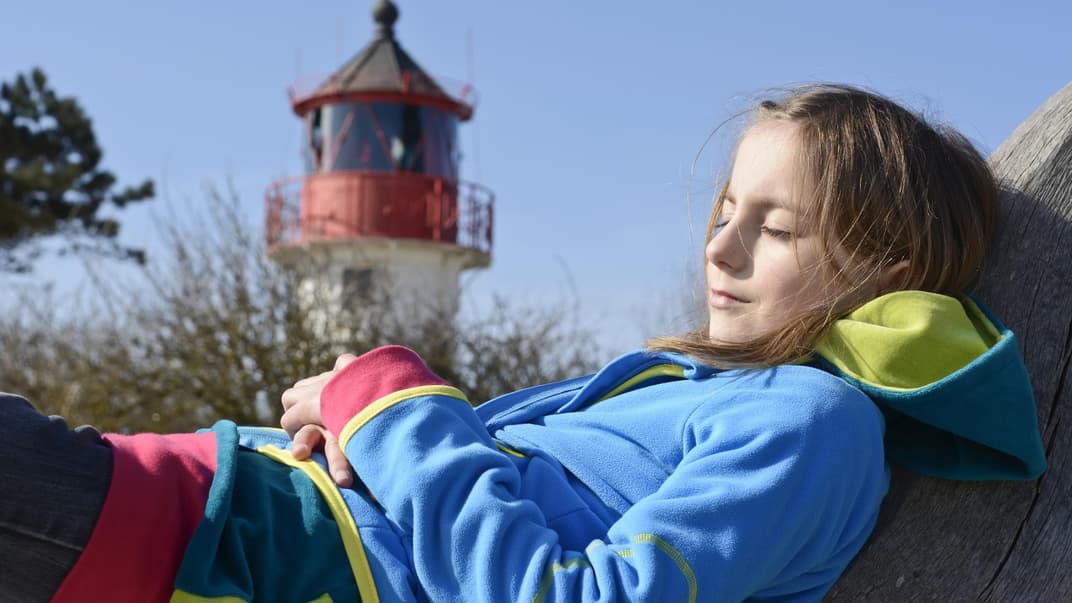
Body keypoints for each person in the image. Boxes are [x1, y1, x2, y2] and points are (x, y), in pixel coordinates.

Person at [0, 84, 1047, 603]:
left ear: (888, 271)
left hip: (239, 544)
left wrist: (391, 402)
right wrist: (369, 428)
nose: (720, 245)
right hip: (228, 509)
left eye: (776, 227)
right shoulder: (700, 391)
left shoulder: (810, 421)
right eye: (724, 206)